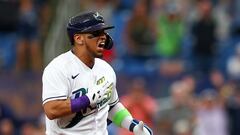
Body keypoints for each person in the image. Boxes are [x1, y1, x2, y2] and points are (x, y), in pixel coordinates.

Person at [42, 11, 153, 135]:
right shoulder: (58, 68)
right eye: (96, 33)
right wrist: (88, 99)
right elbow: (52, 110)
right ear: (78, 38)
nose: (103, 37)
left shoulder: (106, 69)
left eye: (104, 32)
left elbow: (111, 106)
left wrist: (133, 126)